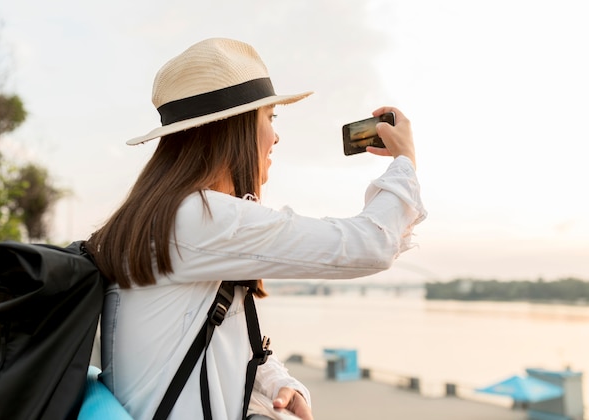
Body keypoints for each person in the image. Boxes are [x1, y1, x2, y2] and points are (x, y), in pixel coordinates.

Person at [87, 37, 426, 420]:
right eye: (270, 118)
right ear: (236, 129)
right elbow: (370, 244)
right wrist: (405, 162)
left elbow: (210, 330)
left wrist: (277, 381)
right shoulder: (200, 219)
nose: (275, 136)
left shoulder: (160, 218)